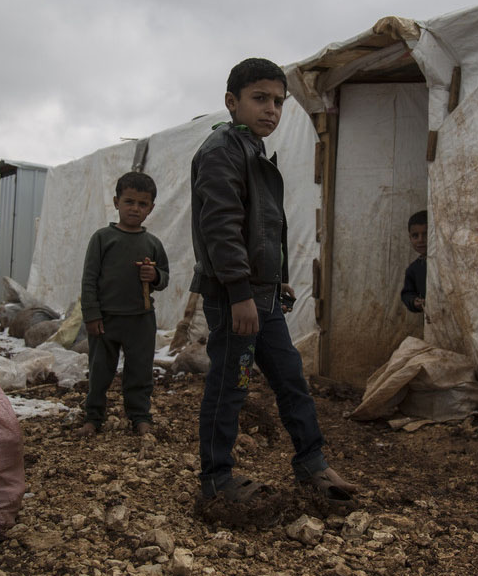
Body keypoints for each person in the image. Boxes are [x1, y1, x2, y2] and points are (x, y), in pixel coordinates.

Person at [189, 57, 359, 507]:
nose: (271, 109)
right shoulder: (222, 151)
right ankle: (216, 481)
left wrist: (275, 279)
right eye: (260, 98)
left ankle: (312, 462)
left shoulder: (251, 149)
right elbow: (221, 228)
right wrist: (240, 293)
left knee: (290, 379)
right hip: (235, 300)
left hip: (261, 296)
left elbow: (261, 228)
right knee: (230, 386)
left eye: (279, 102)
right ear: (232, 101)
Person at [77, 171, 169, 437]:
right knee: (99, 372)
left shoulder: (153, 243)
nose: (135, 208)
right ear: (117, 202)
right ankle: (93, 417)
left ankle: (140, 417)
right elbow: (89, 279)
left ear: (151, 208)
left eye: (142, 204)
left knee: (140, 373)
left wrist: (154, 275)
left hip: (141, 319)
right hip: (106, 320)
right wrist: (91, 315)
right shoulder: (102, 238)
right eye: (129, 201)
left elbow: (164, 277)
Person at [400, 210, 427, 313]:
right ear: (410, 238)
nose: (420, 240)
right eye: (415, 236)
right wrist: (414, 301)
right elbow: (407, 293)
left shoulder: (446, 262)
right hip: (431, 318)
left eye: (425, 234)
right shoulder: (413, 269)